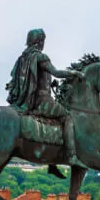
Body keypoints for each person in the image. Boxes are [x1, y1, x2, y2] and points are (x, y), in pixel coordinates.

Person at [6, 28, 85, 167]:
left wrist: (49, 84)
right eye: (43, 41)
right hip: (41, 101)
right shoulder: (40, 57)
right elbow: (56, 72)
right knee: (67, 117)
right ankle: (71, 156)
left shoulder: (22, 59)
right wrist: (74, 73)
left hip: (26, 100)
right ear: (39, 41)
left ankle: (52, 162)